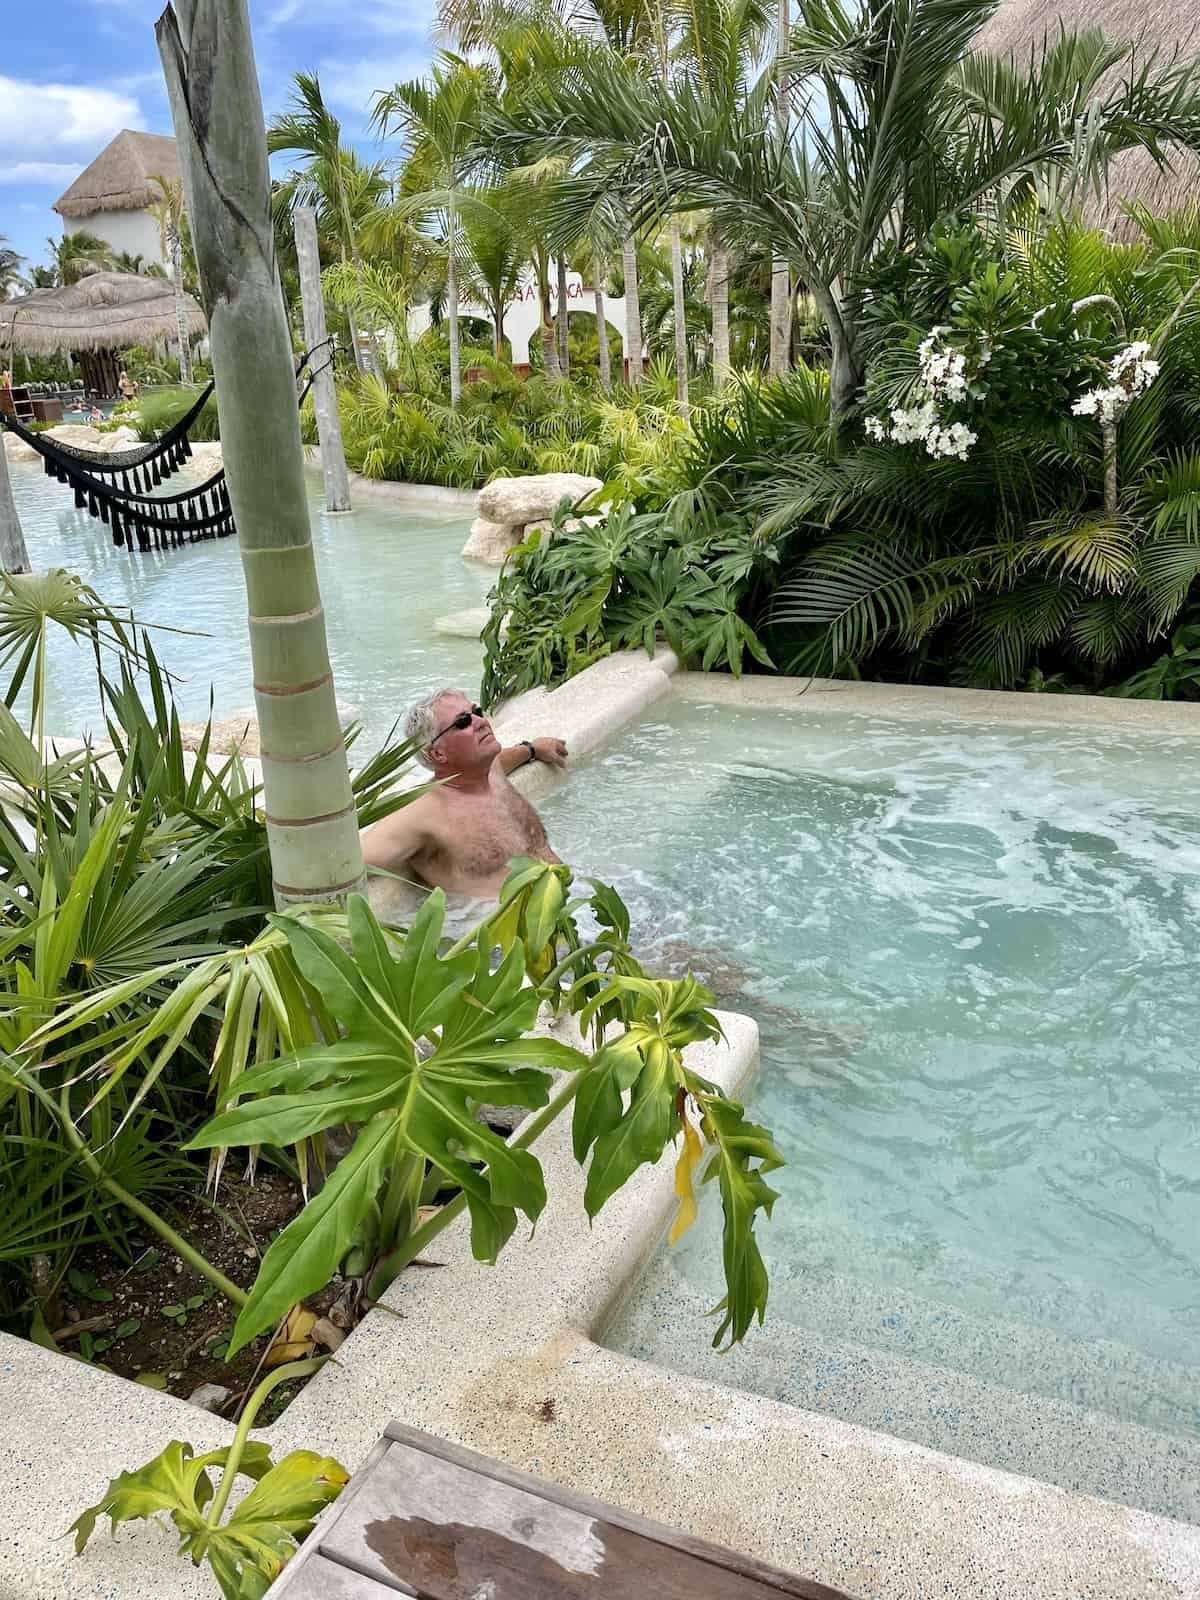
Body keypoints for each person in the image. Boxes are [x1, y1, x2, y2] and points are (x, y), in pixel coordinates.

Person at [361, 689, 568, 904]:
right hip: (506, 927)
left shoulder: (490, 771)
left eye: (476, 711)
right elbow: (350, 864)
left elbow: (503, 758)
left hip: (569, 907)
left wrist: (532, 749)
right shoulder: (422, 814)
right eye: (463, 722)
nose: (480, 721)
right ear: (438, 753)